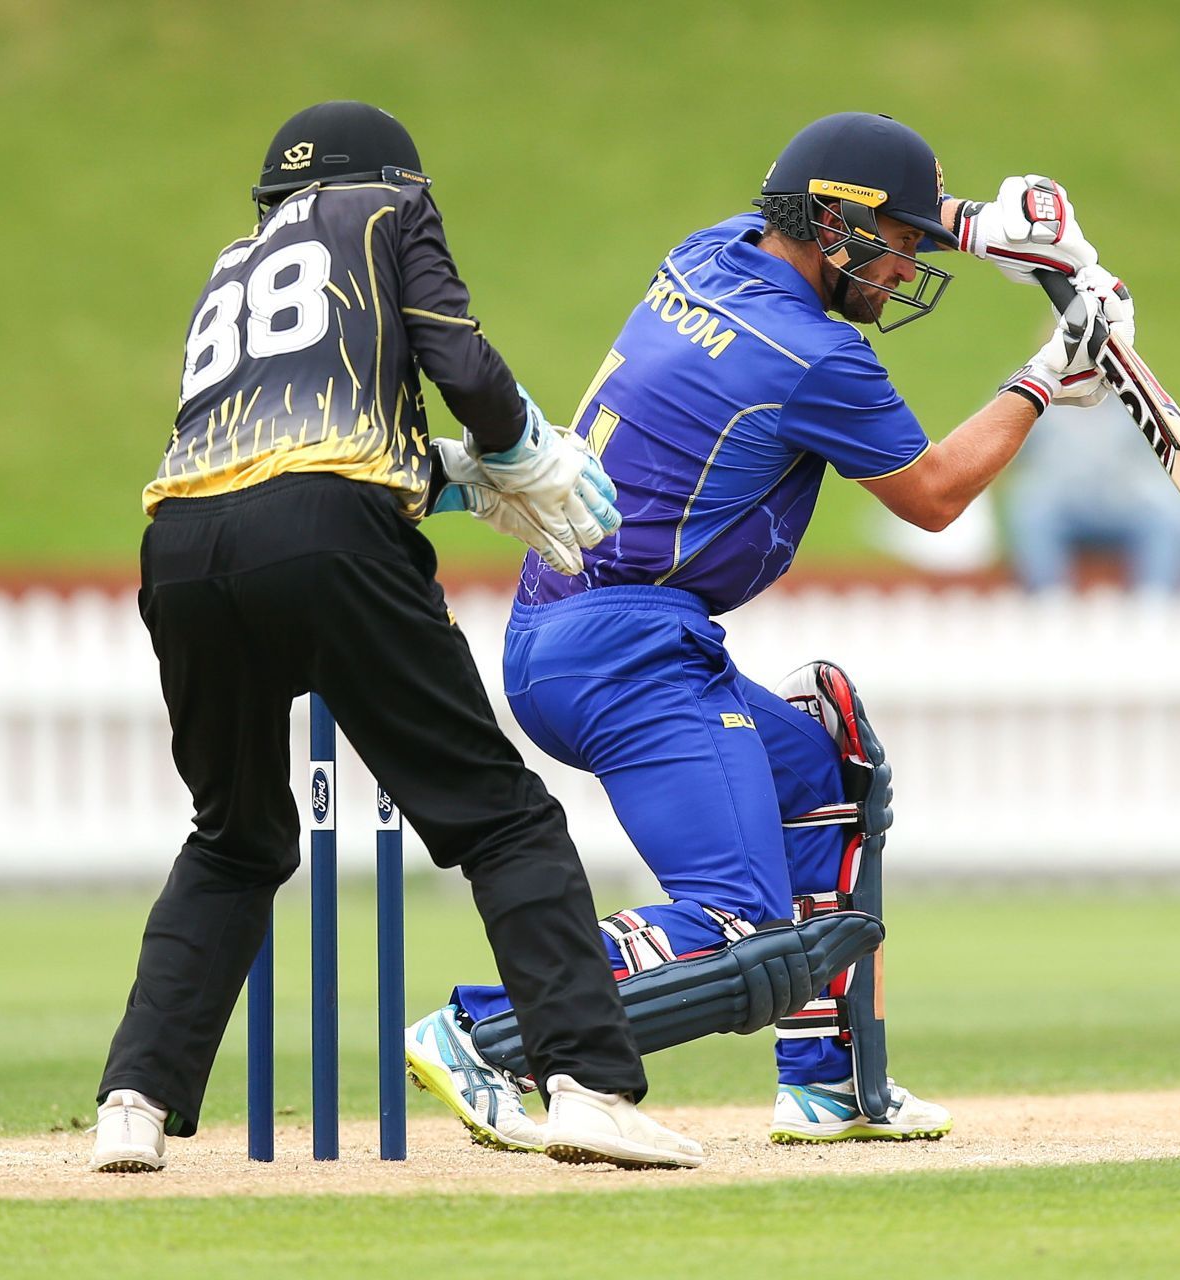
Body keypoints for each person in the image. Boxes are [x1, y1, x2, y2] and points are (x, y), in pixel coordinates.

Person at [402, 112, 1133, 1148]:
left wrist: (993, 226)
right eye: (901, 247)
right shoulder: (815, 355)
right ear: (833, 230)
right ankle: (484, 1031)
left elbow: (846, 205)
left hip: (573, 622)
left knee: (823, 773)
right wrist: (1048, 372)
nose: (903, 270)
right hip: (628, 650)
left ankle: (829, 1083)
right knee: (735, 923)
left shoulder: (710, 251)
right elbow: (931, 497)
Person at [88, 100, 703, 1173]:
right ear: (396, 181)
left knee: (233, 836)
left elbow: (278, 435)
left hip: (180, 545)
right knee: (502, 819)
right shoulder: (386, 212)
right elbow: (458, 362)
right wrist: (518, 446)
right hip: (330, 534)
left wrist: (453, 477)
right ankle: (590, 1087)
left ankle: (131, 1102)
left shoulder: (232, 264)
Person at [1005, 394, 1180, 593]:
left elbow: (1165, 457)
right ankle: (1049, 597)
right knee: (1033, 508)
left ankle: (1156, 599)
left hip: (1127, 501)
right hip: (1063, 503)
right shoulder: (1042, 390)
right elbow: (1006, 445)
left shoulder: (1137, 393)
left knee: (1170, 512)